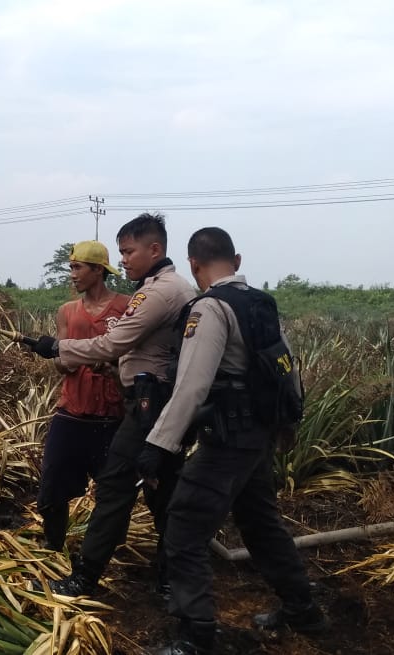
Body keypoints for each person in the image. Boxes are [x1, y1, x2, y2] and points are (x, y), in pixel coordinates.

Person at [141, 227, 325, 655]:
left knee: (184, 526)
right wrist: (287, 427)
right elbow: (286, 368)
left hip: (226, 441)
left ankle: (197, 635)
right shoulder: (260, 303)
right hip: (258, 436)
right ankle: (303, 608)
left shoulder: (209, 309)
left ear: (193, 264)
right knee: (260, 522)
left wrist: (158, 445)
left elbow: (191, 386)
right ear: (237, 261)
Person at [20, 212, 197, 596]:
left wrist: (57, 348)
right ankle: (170, 579)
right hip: (134, 405)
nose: (124, 260)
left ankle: (86, 577)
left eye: (129, 251)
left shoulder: (155, 293)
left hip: (143, 407)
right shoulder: (167, 289)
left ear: (155, 249)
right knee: (160, 491)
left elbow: (114, 344)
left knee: (119, 485)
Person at [35, 241, 130, 552]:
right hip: (72, 412)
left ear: (98, 270)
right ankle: (53, 548)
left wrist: (113, 365)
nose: (72, 275)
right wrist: (81, 357)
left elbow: (134, 357)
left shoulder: (127, 307)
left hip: (113, 416)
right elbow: (62, 364)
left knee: (113, 492)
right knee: (52, 487)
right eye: (71, 268)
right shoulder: (67, 312)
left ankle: (104, 552)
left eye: (78, 268)